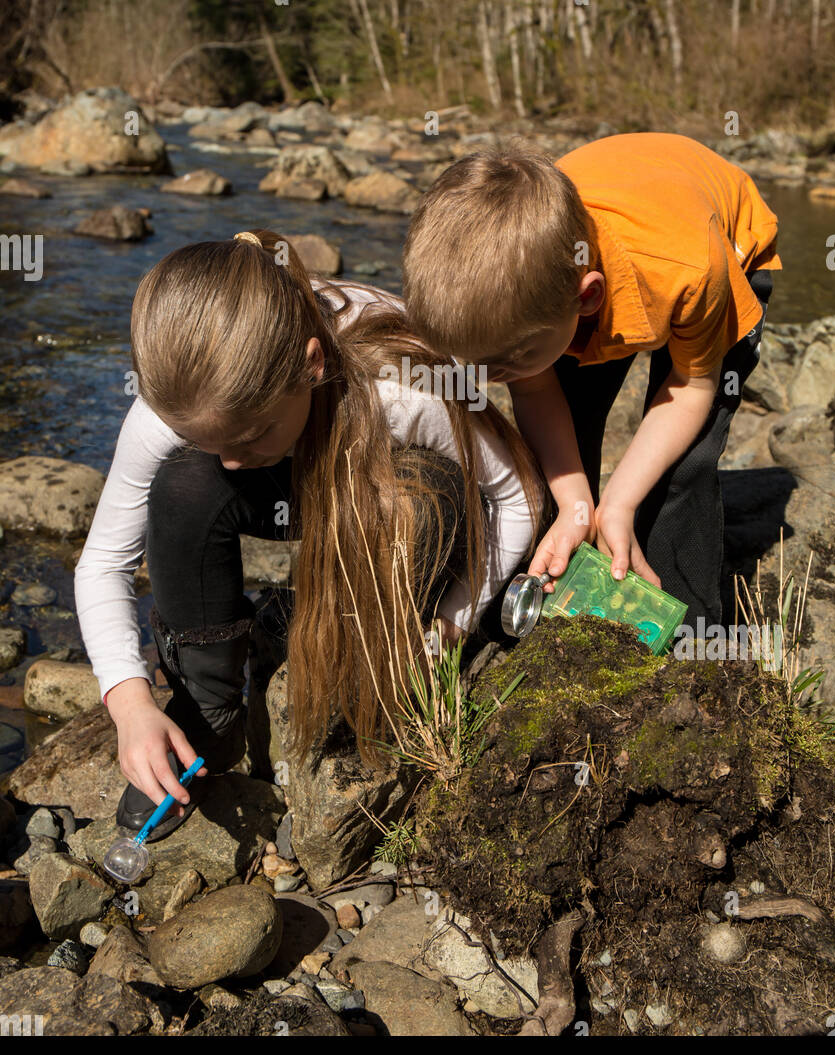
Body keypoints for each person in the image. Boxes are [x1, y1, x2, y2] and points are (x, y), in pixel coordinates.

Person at [74, 229, 544, 840]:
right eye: (211, 441)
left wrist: (455, 620)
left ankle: (366, 650)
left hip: (375, 481)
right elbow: (104, 562)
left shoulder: (403, 387)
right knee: (185, 485)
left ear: (312, 364)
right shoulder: (180, 398)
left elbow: (517, 499)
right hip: (291, 483)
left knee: (420, 497)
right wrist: (129, 705)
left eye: (248, 437)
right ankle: (211, 704)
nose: (232, 463)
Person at [402, 132, 782, 629]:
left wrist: (620, 501)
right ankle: (554, 584)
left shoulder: (690, 270)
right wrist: (578, 504)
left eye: (504, 364)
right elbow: (535, 387)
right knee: (564, 446)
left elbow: (691, 386)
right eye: (474, 363)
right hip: (604, 255)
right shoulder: (531, 292)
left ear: (585, 301)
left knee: (682, 466)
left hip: (719, 253)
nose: (484, 380)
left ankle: (687, 632)